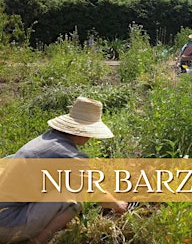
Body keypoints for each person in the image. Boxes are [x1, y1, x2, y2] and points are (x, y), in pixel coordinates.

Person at [0, 97, 128, 244]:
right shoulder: (68, 154)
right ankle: (36, 241)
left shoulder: (46, 140)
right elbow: (93, 191)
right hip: (7, 224)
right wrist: (118, 205)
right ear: (83, 132)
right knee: (75, 197)